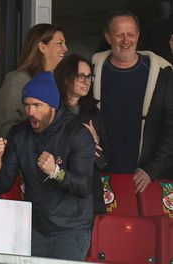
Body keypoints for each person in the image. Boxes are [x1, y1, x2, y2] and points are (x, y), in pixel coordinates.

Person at [0, 71, 94, 261]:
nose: (30, 112)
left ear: (52, 106)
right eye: (27, 105)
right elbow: (1, 185)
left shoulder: (77, 133)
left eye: (37, 105)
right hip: (35, 227)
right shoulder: (19, 133)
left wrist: (56, 172)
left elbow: (83, 186)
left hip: (71, 229)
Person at [92, 10, 173, 194]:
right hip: (101, 177)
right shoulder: (92, 71)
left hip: (146, 180)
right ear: (107, 37)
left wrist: (151, 171)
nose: (126, 41)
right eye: (119, 35)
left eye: (130, 34)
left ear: (138, 36)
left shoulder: (162, 73)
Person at [0, 23, 68, 138]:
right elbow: (2, 127)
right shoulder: (18, 79)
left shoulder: (60, 81)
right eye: (60, 43)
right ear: (43, 47)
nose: (65, 48)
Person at [54, 54, 108, 215]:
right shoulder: (51, 109)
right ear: (65, 78)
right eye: (81, 76)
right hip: (58, 189)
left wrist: (96, 142)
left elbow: (105, 158)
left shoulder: (93, 111)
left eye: (90, 76)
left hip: (88, 192)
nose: (87, 81)